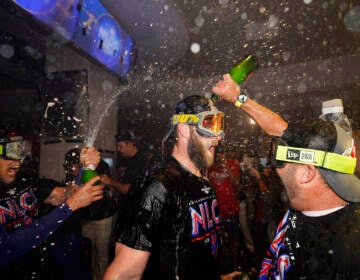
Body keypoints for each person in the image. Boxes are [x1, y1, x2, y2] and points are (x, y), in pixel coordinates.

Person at [213, 74, 360, 279]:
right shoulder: (310, 204)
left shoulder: (342, 259)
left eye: (280, 158)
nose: (276, 167)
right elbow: (279, 128)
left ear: (307, 173)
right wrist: (238, 97)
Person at [103, 95, 241, 280]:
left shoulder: (203, 180)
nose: (217, 136)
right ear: (184, 129)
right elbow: (122, 275)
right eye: (208, 126)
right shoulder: (157, 187)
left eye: (219, 126)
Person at [0, 130, 103, 279]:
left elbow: (67, 194)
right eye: (10, 151)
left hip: (38, 268)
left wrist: (87, 167)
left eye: (20, 151)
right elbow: (6, 250)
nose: (18, 162)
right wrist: (70, 206)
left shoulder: (25, 180)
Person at [63, 148, 116, 280]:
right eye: (67, 165)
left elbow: (95, 188)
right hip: (86, 218)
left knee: (101, 255)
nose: (69, 168)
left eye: (71, 165)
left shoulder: (99, 167)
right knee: (88, 253)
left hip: (103, 217)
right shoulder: (73, 173)